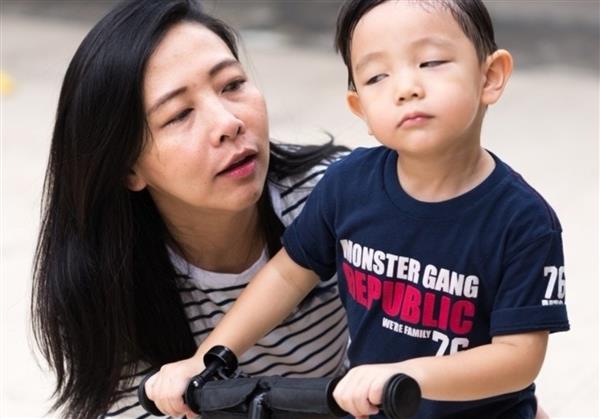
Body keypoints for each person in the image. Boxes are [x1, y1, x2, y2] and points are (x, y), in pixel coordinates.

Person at [151, 0, 569, 418]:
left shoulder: (524, 222)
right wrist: (208, 359)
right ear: (361, 109)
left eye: (432, 62)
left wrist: (407, 375)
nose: (405, 87)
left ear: (490, 77)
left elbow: (519, 358)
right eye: (377, 76)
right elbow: (285, 274)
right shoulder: (348, 186)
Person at [30, 1, 351, 418]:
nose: (228, 122)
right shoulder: (102, 283)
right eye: (180, 114)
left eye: (232, 84)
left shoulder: (333, 200)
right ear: (128, 167)